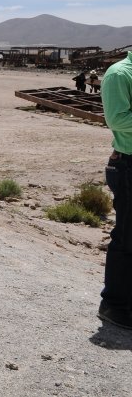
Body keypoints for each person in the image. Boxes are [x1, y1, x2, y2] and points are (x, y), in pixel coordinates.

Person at [99, 48, 132, 328]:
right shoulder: (120, 74)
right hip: (129, 165)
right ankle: (114, 305)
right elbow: (117, 119)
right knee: (127, 237)